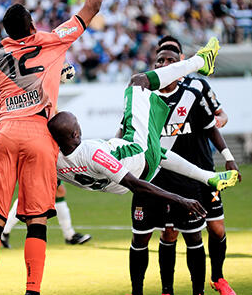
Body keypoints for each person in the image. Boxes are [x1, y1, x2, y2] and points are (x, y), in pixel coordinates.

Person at [0, 0, 114, 295]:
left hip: (5, 132)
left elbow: (26, 83)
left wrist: (56, 78)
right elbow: (92, 7)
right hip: (39, 135)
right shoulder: (52, 40)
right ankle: (33, 294)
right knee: (36, 219)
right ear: (34, 25)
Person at [48, 39, 238, 198]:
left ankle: (209, 177)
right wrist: (180, 200)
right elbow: (133, 183)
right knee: (138, 82)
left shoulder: (53, 161)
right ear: (75, 134)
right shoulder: (92, 153)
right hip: (137, 161)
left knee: (157, 149)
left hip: (121, 182)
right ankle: (201, 61)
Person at [131, 36, 237, 295]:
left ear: (183, 61)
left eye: (172, 59)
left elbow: (217, 119)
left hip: (201, 170)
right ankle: (167, 291)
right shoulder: (147, 94)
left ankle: (218, 277)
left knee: (216, 228)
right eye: (161, 60)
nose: (166, 64)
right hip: (166, 176)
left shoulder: (197, 87)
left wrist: (224, 149)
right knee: (169, 232)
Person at [1, 181, 92, 248]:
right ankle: (4, 231)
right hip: (38, 160)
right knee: (31, 194)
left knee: (59, 192)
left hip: (49, 159)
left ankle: (70, 235)